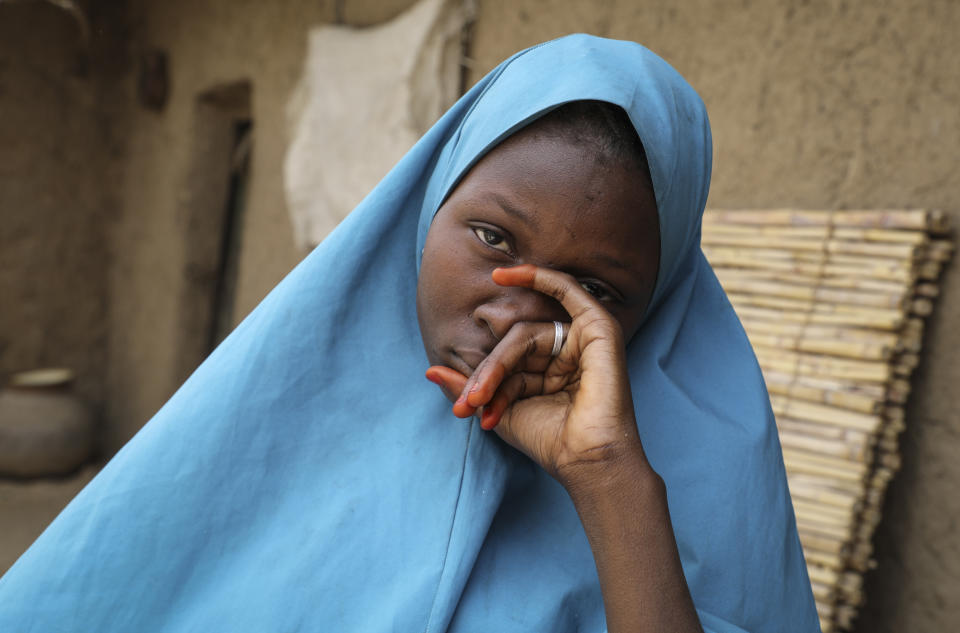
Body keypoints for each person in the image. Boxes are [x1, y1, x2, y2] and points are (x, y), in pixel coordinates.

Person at [0, 35, 819, 631]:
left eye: (595, 289)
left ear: (656, 302)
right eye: (494, 238)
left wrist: (608, 479)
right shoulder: (258, 427)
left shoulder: (689, 502)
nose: (513, 314)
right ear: (427, 213)